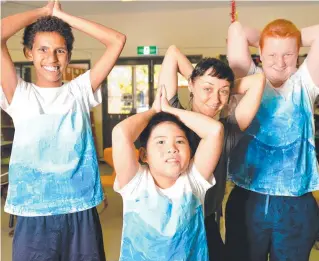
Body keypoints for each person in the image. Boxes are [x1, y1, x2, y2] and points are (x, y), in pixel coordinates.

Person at [0, 1, 126, 260]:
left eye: (60, 50)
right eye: (43, 49)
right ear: (28, 53)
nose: (52, 58)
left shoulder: (78, 91)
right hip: (33, 212)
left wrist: (61, 15)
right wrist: (42, 12)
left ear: (68, 55)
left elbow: (116, 40)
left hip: (79, 208)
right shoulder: (20, 94)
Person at [159, 45, 266, 261]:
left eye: (223, 92)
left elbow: (259, 81)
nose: (215, 99)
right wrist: (200, 80)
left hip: (206, 223)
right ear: (190, 85)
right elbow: (172, 52)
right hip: (167, 225)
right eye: (207, 90)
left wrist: (213, 83)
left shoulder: (227, 132)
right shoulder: (174, 118)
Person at [226, 19, 319, 261]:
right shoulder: (249, 79)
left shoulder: (306, 83)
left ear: (298, 52)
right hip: (248, 198)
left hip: (295, 203)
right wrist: (268, 37)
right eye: (272, 54)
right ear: (259, 52)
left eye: (288, 54)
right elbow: (236, 30)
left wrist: (287, 37)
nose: (280, 62)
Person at [112, 85, 224, 261]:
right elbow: (120, 133)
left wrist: (171, 111)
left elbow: (214, 131)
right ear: (144, 154)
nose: (172, 148)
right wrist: (154, 111)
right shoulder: (135, 183)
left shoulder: (194, 181)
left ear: (190, 150)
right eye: (161, 142)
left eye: (180, 141)